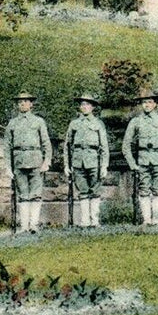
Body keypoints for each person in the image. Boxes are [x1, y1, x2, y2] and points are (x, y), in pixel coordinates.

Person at [122, 87, 158, 228]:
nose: (147, 105)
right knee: (144, 189)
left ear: (155, 104)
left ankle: (156, 220)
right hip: (143, 160)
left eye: (150, 102)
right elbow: (126, 145)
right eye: (144, 102)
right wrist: (132, 163)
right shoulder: (136, 122)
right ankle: (146, 220)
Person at [4, 91, 52, 234]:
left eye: (26, 101)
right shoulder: (12, 123)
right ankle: (24, 226)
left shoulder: (38, 121)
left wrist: (46, 161)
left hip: (36, 161)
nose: (23, 104)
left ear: (31, 104)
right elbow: (7, 146)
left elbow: (46, 143)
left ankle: (34, 225)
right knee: (23, 195)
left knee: (36, 195)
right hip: (19, 162)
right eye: (20, 102)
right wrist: (8, 166)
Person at [64, 93, 110, 228]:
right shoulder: (74, 124)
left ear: (93, 107)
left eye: (87, 104)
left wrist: (104, 166)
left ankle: (94, 221)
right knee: (82, 192)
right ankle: (84, 222)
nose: (84, 107)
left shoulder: (98, 124)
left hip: (94, 161)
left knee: (95, 191)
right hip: (78, 162)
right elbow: (67, 146)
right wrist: (67, 164)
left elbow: (104, 147)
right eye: (82, 104)